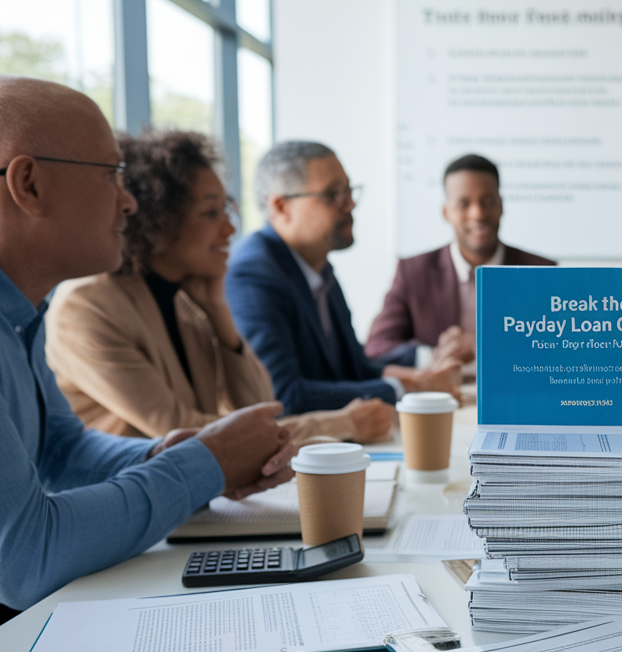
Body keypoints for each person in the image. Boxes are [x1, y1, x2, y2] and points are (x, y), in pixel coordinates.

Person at [0, 76, 294, 652]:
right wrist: (204, 465)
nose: (129, 201)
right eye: (110, 174)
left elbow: (62, 450)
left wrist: (171, 452)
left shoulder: (8, 300)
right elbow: (19, 560)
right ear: (29, 184)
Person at [45, 130, 394, 443]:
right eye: (212, 213)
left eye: (226, 210)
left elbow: (261, 409)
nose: (229, 231)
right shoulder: (87, 305)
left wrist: (218, 311)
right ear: (159, 219)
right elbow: (183, 432)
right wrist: (340, 424)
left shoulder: (187, 302)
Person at [226, 141, 458, 415]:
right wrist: (406, 389)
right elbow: (283, 397)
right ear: (280, 207)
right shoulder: (254, 275)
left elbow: (352, 367)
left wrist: (419, 375)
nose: (350, 203)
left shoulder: (318, 267)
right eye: (333, 194)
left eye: (348, 191)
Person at [364, 154, 555, 366]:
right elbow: (377, 346)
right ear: (446, 212)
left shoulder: (542, 272)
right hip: (443, 394)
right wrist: (435, 356)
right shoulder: (413, 271)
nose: (477, 214)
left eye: (488, 201)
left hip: (516, 394)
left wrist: (483, 349)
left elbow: (562, 348)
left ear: (501, 206)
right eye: (463, 204)